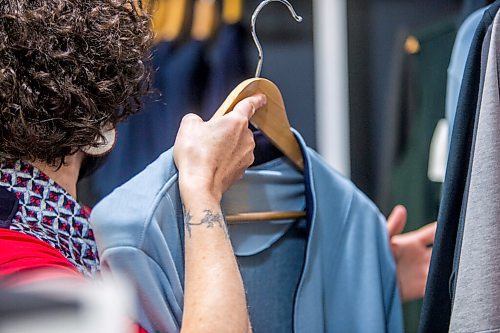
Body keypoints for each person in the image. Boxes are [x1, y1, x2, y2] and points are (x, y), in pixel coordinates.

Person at [0, 0, 435, 331]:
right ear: (102, 126)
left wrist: (361, 273)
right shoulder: (35, 274)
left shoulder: (72, 235)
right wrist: (202, 194)